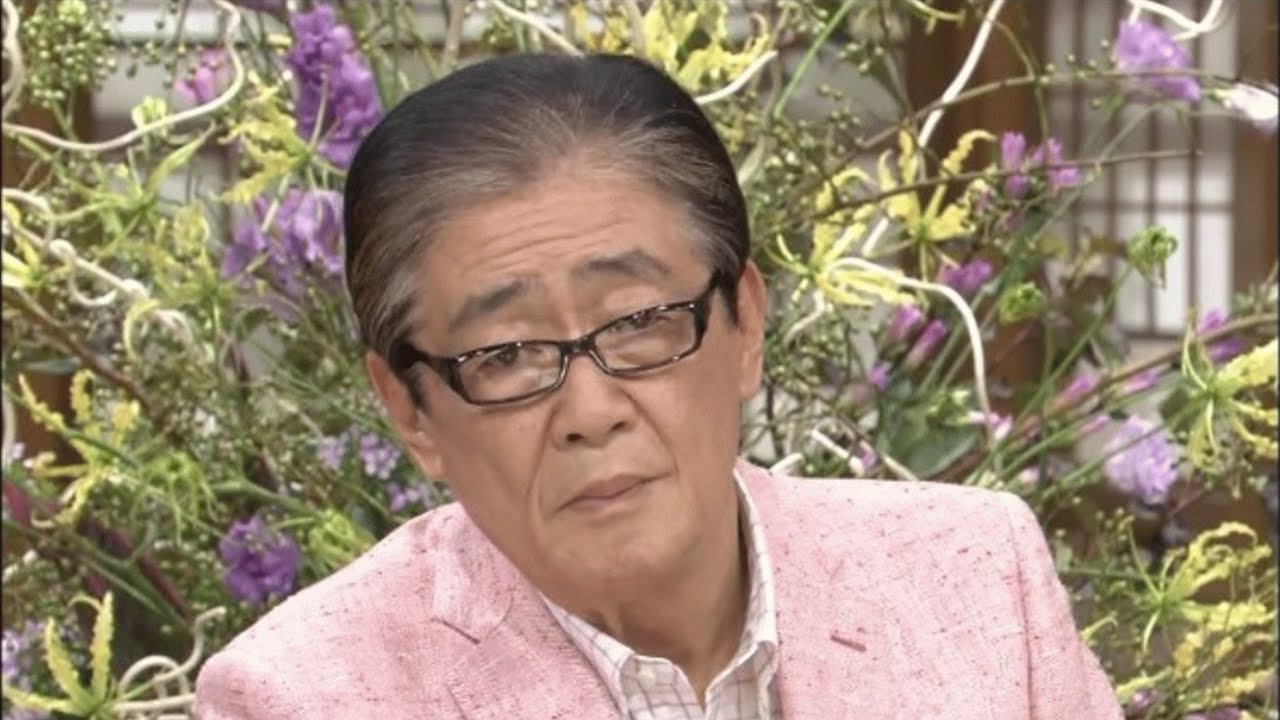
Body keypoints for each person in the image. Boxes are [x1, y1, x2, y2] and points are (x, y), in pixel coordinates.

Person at [194, 53, 1123, 720]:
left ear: (745, 323)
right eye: (505, 354)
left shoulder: (978, 575)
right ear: (411, 411)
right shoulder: (298, 695)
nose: (590, 412)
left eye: (639, 321)